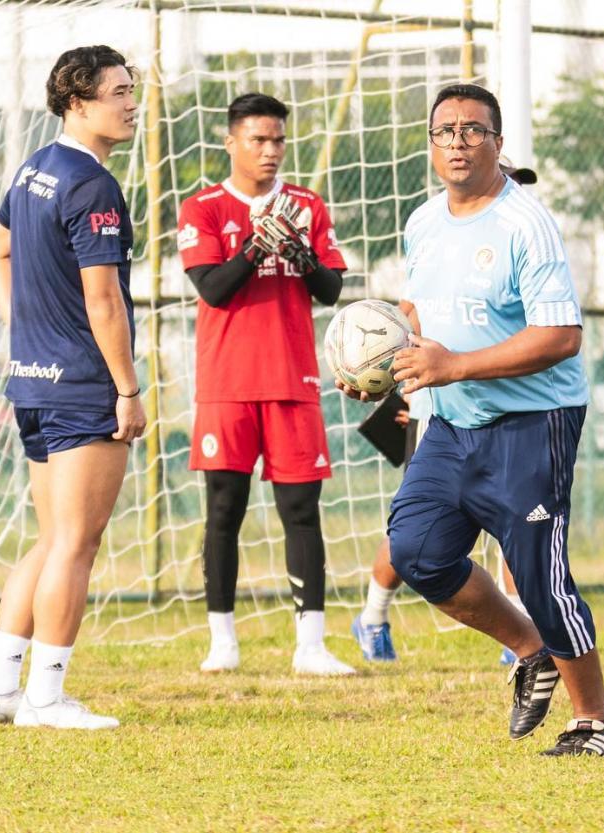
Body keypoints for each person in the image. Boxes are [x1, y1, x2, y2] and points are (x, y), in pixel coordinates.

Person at [338, 84, 604, 756]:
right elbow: (422, 312)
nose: (459, 141)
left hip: (533, 420)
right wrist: (377, 361)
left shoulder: (525, 222)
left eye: (474, 129)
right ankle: (533, 651)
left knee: (537, 575)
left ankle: (599, 721)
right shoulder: (423, 222)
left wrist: (455, 365)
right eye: (445, 130)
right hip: (453, 422)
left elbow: (561, 336)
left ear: (498, 143)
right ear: (431, 145)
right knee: (417, 549)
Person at [0, 45, 144, 730]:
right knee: (77, 542)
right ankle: (45, 696)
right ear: (78, 101)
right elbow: (104, 301)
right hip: (79, 384)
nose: (131, 103)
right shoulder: (92, 182)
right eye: (117, 92)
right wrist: (127, 389)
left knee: (51, 538)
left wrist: (25, 329)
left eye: (132, 89)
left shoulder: (36, 165)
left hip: (33, 382)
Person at [177, 93, 353, 676]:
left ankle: (311, 646)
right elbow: (213, 289)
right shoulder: (202, 207)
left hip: (293, 378)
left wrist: (298, 251)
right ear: (231, 143)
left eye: (278, 139)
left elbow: (330, 290)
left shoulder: (306, 205)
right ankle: (222, 641)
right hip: (227, 382)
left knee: (301, 509)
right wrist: (256, 245)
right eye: (258, 139)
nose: (270, 150)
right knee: (224, 508)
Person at [351, 162, 534, 665]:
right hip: (439, 411)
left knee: (515, 526)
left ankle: (517, 631)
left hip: (506, 414)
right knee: (413, 536)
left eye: (516, 182)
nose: (511, 192)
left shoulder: (527, 243)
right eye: (508, 180)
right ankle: (372, 616)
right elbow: (406, 314)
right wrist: (389, 374)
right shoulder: (437, 241)